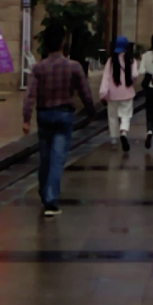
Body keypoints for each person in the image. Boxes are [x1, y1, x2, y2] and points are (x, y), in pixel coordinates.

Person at [23, 24, 96, 217]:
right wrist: (91, 111)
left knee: (45, 157)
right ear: (63, 43)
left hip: (44, 114)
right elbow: (85, 92)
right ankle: (51, 200)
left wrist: (26, 118)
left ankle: (44, 190)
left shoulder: (39, 68)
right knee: (58, 158)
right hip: (64, 115)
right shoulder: (73, 67)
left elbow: (30, 95)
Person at [99, 35, 138, 153]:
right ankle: (124, 131)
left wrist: (102, 94)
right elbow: (135, 75)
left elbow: (105, 79)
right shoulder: (132, 60)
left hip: (112, 95)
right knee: (125, 115)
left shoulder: (110, 61)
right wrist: (130, 81)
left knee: (112, 117)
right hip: (127, 93)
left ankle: (114, 138)